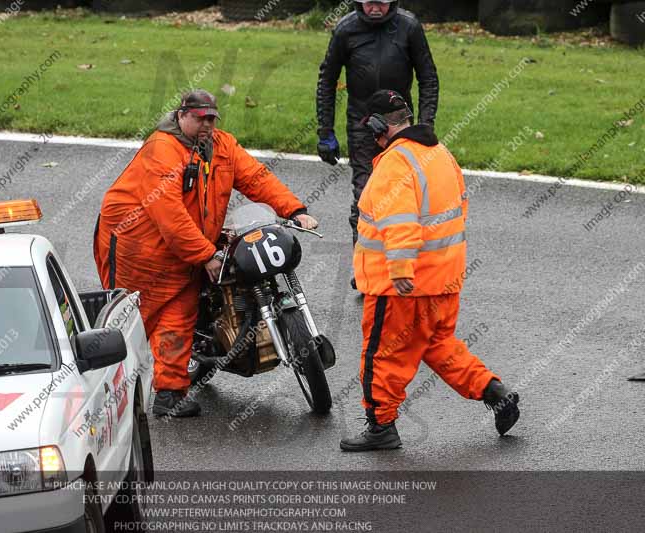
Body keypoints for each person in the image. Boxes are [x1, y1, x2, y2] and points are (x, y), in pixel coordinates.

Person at [94, 89, 318, 418]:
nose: (207, 125)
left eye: (212, 118)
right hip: (137, 248)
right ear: (182, 115)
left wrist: (295, 209)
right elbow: (169, 215)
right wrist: (205, 254)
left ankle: (170, 393)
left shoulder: (222, 146)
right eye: (200, 119)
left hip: (185, 247)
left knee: (180, 313)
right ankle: (98, 394)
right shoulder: (162, 150)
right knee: (134, 321)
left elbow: (256, 178)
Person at [339, 90, 519, 452]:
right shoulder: (440, 154)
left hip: (401, 287)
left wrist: (402, 268)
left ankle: (381, 427)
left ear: (378, 126)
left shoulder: (395, 163)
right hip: (444, 280)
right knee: (438, 345)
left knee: (383, 356)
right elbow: (459, 208)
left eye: (370, 130)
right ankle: (495, 393)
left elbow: (401, 220)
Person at [316, 0, 439, 287]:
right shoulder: (346, 29)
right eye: (369, 2)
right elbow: (327, 80)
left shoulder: (409, 27)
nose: (375, 8)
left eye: (381, 3)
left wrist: (425, 124)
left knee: (405, 194)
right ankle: (366, 270)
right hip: (363, 124)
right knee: (365, 197)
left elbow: (428, 78)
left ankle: (404, 262)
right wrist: (325, 131)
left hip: (400, 124)